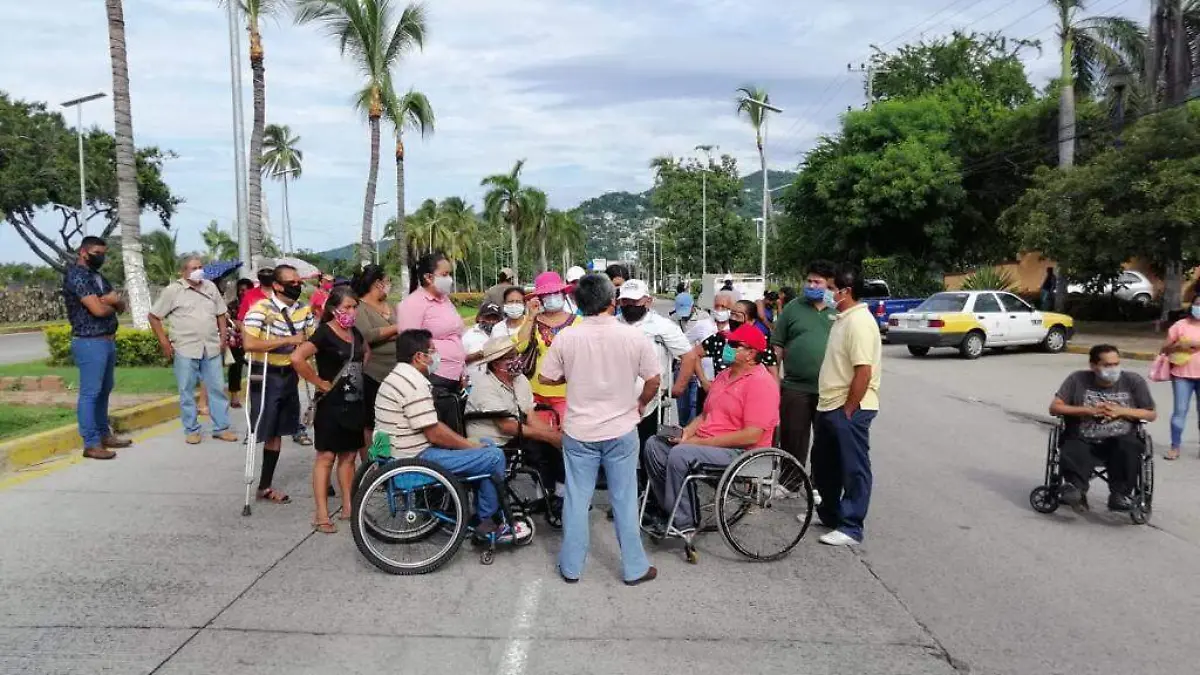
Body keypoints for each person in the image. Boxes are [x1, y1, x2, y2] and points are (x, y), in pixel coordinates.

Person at [539, 273, 660, 586]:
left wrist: (576, 377)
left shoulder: (567, 337)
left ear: (578, 303)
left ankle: (571, 567)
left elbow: (548, 378)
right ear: (612, 301)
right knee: (624, 499)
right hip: (621, 428)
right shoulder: (633, 337)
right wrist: (641, 404)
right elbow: (654, 379)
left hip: (579, 431)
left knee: (577, 499)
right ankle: (634, 567)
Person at [375, 329, 528, 542]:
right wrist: (469, 446)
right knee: (494, 456)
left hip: (397, 452)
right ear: (419, 357)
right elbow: (435, 433)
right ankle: (489, 522)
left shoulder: (395, 377)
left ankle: (482, 513)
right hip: (415, 457)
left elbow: (432, 426)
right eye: (432, 352)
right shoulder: (413, 384)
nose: (436, 357)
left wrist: (469, 445)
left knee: (484, 444)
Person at [644, 324, 780, 534]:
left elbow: (752, 435)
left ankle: (684, 522)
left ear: (751, 354)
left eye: (734, 344)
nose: (727, 346)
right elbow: (706, 414)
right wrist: (686, 432)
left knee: (681, 453)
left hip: (742, 451)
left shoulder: (762, 383)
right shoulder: (724, 375)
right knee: (655, 444)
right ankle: (671, 509)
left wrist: (696, 442)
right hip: (707, 442)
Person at [811, 266, 882, 547]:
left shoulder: (860, 322)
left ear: (845, 291)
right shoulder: (842, 318)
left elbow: (863, 370)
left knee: (853, 467)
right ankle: (830, 513)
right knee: (824, 465)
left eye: (830, 288)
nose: (826, 293)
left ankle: (852, 526)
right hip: (829, 404)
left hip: (849, 407)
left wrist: (850, 408)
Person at [291, 285, 368, 534]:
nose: (351, 311)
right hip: (331, 405)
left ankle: (349, 506)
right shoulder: (324, 333)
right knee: (326, 457)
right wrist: (319, 382)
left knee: (349, 456)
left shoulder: (354, 333)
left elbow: (364, 354)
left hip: (354, 403)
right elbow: (297, 358)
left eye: (354, 306)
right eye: (347, 307)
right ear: (334, 309)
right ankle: (321, 513)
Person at [466, 337, 566, 524]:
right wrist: (549, 437)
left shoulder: (520, 380)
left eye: (516, 354)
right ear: (496, 364)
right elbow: (507, 426)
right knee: (541, 446)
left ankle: (557, 496)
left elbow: (530, 415)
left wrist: (554, 435)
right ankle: (554, 497)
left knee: (555, 444)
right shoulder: (484, 386)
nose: (517, 359)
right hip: (492, 440)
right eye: (510, 357)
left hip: (513, 433)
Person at [242, 264, 318, 505]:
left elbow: (311, 337)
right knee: (264, 429)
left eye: (299, 282)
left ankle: (265, 486)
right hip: (266, 374)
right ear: (276, 285)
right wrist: (288, 340)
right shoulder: (260, 309)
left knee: (278, 432)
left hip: (289, 374)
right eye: (291, 282)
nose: (297, 286)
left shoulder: (303, 309)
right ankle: (258, 483)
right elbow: (249, 343)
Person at [1050, 345, 1156, 510]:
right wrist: (1089, 410)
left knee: (1129, 446)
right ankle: (1075, 490)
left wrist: (1120, 411)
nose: (1113, 369)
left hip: (1120, 438)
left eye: (1116, 364)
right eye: (1107, 365)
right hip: (1083, 436)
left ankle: (1119, 495)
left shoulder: (1133, 381)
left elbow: (1150, 414)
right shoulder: (1077, 379)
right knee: (1072, 444)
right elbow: (1055, 408)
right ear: (1093, 366)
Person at [148, 257, 239, 445]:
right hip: (185, 347)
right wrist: (164, 342)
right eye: (194, 268)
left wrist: (223, 337)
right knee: (186, 389)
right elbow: (154, 316)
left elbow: (221, 314)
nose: (198, 271)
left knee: (217, 387)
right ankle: (191, 429)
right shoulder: (174, 291)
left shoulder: (210, 287)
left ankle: (221, 428)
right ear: (184, 272)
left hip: (211, 346)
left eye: (200, 267)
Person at [61, 236, 131, 460]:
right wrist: (109, 303)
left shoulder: (98, 277)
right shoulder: (76, 276)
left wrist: (109, 302)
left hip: (107, 340)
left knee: (104, 389)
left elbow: (121, 305)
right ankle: (91, 443)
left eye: (103, 253)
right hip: (89, 340)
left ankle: (104, 433)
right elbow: (98, 310)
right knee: (91, 392)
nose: (101, 257)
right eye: (97, 253)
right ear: (83, 252)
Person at [772, 260, 838, 469]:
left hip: (830, 389)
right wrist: (774, 380)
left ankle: (820, 485)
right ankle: (790, 482)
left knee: (826, 441)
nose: (811, 286)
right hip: (795, 387)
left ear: (829, 284)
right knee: (793, 436)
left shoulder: (839, 310)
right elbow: (777, 346)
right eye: (808, 281)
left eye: (817, 282)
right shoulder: (793, 308)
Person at [618, 279, 691, 448]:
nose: (629, 305)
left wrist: (679, 387)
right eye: (625, 301)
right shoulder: (613, 324)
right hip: (617, 400)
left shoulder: (662, 326)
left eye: (634, 301)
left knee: (647, 445)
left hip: (651, 400)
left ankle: (645, 473)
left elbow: (688, 355)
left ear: (648, 301)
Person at [675, 291, 778, 400]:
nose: (733, 319)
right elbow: (693, 354)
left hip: (752, 399)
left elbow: (774, 376)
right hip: (720, 399)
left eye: (738, 316)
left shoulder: (762, 343)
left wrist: (774, 400)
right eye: (732, 314)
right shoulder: (721, 338)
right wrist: (704, 381)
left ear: (751, 321)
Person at [396, 252, 466, 397]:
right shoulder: (413, 304)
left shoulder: (445, 300)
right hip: (433, 376)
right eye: (445, 274)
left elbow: (456, 335)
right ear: (428, 277)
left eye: (449, 274)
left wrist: (461, 369)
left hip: (455, 375)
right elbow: (409, 344)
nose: (450, 279)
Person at [516, 271, 580, 425]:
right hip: (535, 391)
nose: (551, 297)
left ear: (564, 295)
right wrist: (531, 316)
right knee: (540, 438)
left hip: (568, 392)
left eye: (555, 293)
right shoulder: (532, 321)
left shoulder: (579, 322)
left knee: (564, 436)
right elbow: (520, 346)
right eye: (546, 294)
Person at [351, 264, 399, 448]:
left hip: (394, 370)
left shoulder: (391, 306)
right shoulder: (360, 307)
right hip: (373, 373)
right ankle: (373, 463)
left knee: (390, 418)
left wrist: (385, 332)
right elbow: (367, 335)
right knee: (372, 421)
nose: (389, 285)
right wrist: (395, 329)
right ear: (378, 283)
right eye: (387, 281)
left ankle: (389, 456)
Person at [1161, 292, 1200, 460]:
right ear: (1192, 305)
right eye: (1198, 304)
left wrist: (1195, 344)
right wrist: (1178, 345)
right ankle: (1175, 446)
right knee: (1180, 411)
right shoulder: (1180, 325)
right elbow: (1164, 349)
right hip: (1181, 375)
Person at [226, 278, 254, 409]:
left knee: (256, 368)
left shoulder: (256, 304)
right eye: (241, 290)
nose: (243, 292)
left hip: (254, 340)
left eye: (246, 289)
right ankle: (234, 397)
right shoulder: (232, 305)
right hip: (237, 342)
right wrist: (237, 324)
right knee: (235, 369)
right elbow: (230, 320)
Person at [463, 302, 503, 384]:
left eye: (495, 318)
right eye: (488, 318)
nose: (491, 321)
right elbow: (458, 361)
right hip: (474, 385)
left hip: (499, 385)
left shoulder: (504, 334)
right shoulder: (468, 336)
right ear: (480, 318)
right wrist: (476, 356)